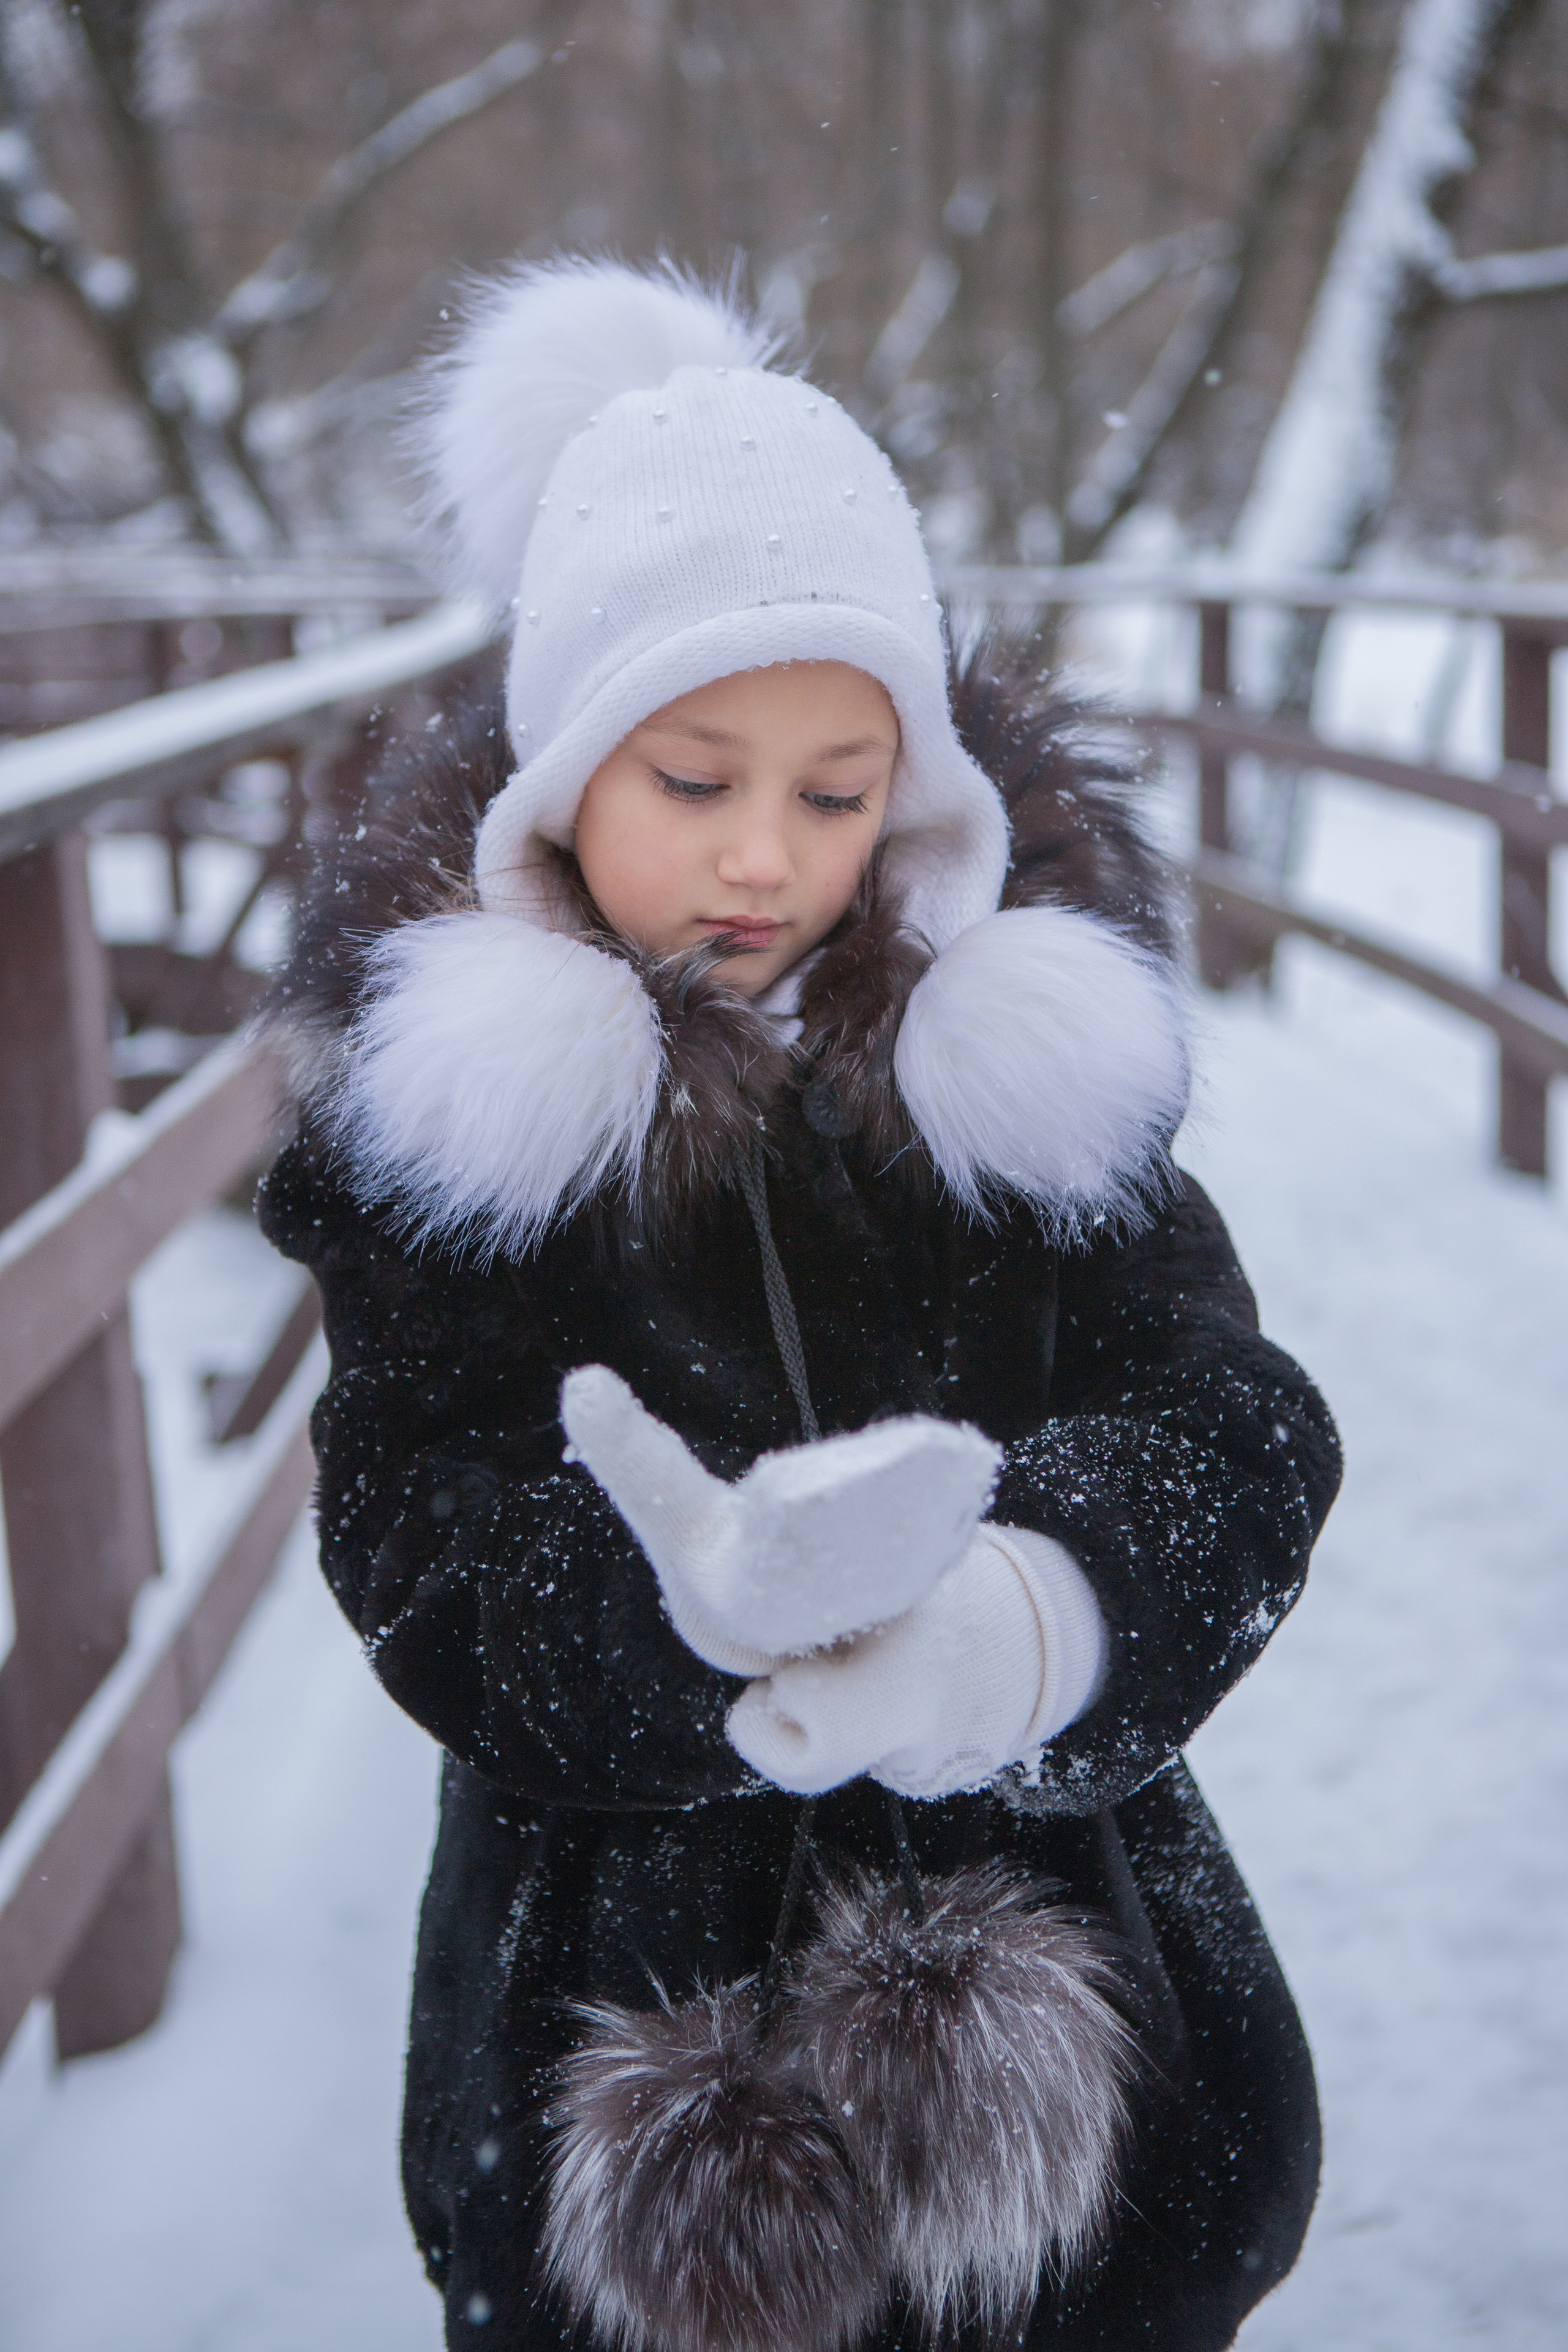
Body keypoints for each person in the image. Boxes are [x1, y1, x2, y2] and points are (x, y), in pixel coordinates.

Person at [260, 258, 1341, 2352]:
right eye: (693, 780)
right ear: (560, 773)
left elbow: (1233, 1422)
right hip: (613, 2006)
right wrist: (689, 1618)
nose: (767, 855)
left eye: (837, 791)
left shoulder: (1012, 1081)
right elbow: (413, 1535)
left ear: (914, 785)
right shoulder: (468, 1151)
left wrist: (1028, 1623)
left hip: (1075, 1989)